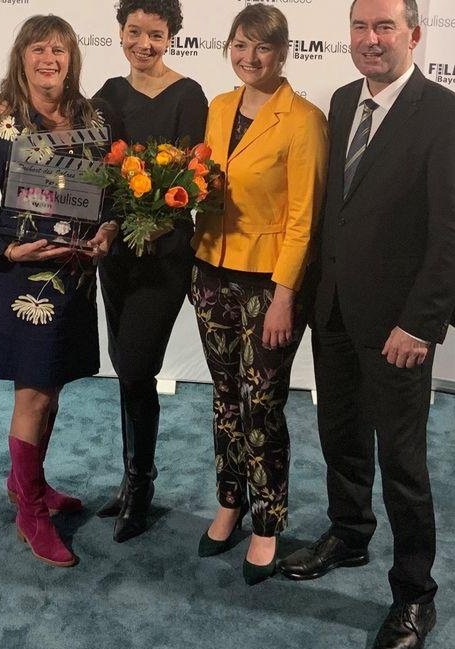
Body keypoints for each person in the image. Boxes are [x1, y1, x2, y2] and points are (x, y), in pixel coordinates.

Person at [277, 1, 455, 649]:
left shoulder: (451, 118)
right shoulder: (341, 102)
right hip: (333, 310)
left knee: (401, 461)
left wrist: (420, 324)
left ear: (414, 35)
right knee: (339, 433)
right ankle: (349, 532)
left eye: (385, 27)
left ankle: (414, 592)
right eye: (361, 28)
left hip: (399, 327)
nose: (371, 40)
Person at [0, 15, 118, 567]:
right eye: (38, 49)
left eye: (60, 49)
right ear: (20, 57)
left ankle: (32, 484)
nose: (50, 59)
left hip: (73, 275)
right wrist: (7, 249)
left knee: (54, 389)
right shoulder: (2, 126)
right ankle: (30, 512)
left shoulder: (92, 120)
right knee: (33, 395)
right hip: (23, 278)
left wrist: (107, 233)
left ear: (73, 57)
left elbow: (106, 197)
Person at [189, 4, 327, 585]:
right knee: (224, 397)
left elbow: (304, 220)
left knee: (263, 404)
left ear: (284, 52)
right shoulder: (218, 107)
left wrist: (285, 294)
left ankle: (267, 520)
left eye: (263, 49)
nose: (250, 58)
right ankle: (230, 500)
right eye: (240, 45)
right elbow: (204, 182)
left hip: (269, 285)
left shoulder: (304, 120)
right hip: (210, 270)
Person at [92, 0, 208, 543]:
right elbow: (96, 173)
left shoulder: (189, 96)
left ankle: (141, 486)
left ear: (172, 36)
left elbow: (193, 178)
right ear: (120, 33)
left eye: (155, 34)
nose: (144, 43)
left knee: (138, 363)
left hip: (162, 255)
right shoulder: (108, 96)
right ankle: (132, 476)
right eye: (134, 31)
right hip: (114, 253)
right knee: (124, 365)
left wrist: (148, 225)